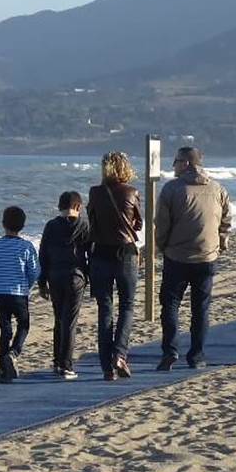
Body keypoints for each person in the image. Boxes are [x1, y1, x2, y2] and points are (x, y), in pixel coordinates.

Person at [155, 146, 232, 371]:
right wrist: (220, 243)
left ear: (186, 163)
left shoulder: (172, 189)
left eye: (176, 161)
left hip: (177, 256)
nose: (173, 166)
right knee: (200, 308)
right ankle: (196, 356)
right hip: (207, 256)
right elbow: (226, 220)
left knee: (170, 304)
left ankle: (170, 351)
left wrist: (161, 246)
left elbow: (162, 223)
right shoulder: (217, 188)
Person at [86, 151, 143, 380]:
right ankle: (119, 355)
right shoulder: (131, 192)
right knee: (127, 305)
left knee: (105, 308)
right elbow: (138, 224)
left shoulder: (95, 192)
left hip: (100, 252)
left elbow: (92, 222)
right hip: (125, 252)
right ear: (125, 168)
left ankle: (106, 367)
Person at [0, 205, 40, 383]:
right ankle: (14, 352)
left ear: (3, 224)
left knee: (5, 330)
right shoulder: (26, 246)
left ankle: (2, 369)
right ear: (22, 225)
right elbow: (34, 271)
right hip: (19, 292)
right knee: (24, 324)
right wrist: (28, 284)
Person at [37, 190, 91, 380]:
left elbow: (43, 254)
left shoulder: (51, 226)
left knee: (59, 319)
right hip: (75, 276)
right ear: (78, 206)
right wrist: (90, 277)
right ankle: (66, 365)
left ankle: (57, 361)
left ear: (60, 206)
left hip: (55, 276)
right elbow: (90, 252)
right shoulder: (83, 225)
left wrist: (42, 281)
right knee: (70, 321)